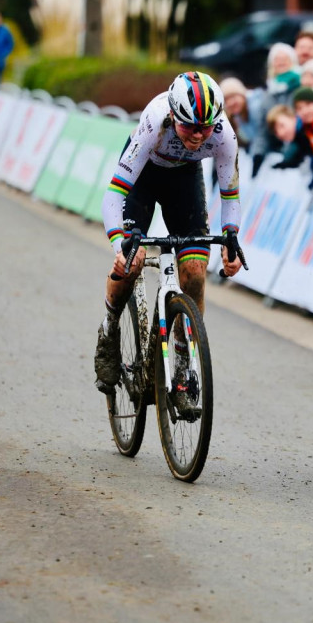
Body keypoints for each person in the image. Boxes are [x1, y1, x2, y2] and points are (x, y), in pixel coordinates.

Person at [94, 71, 244, 395]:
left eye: (205, 127)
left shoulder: (223, 135)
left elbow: (230, 195)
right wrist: (119, 245)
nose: (197, 135)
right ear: (174, 114)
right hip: (143, 177)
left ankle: (183, 366)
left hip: (184, 180)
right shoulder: (155, 119)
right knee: (131, 264)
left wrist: (231, 238)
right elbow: (114, 195)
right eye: (189, 125)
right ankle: (109, 330)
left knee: (194, 272)